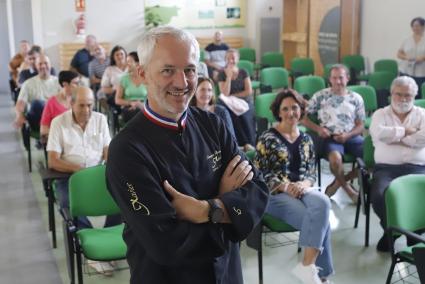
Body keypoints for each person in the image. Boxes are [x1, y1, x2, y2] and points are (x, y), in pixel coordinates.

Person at [106, 26, 268, 284]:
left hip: (228, 273)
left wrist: (206, 209)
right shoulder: (127, 150)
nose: (182, 83)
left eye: (190, 70)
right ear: (142, 74)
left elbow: (258, 191)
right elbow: (167, 244)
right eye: (168, 70)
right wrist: (231, 211)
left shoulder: (213, 125)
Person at [254, 89, 333, 284]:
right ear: (278, 112)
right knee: (322, 222)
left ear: (301, 110)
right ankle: (321, 277)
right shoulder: (267, 138)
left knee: (323, 202)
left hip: (302, 190)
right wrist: (285, 186)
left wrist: (303, 184)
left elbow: (312, 173)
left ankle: (307, 268)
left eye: (295, 108)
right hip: (274, 194)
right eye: (286, 109)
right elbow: (259, 174)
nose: (291, 113)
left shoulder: (306, 139)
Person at [47, 86, 121, 275]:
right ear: (71, 103)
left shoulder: (100, 119)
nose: (87, 110)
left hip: (98, 174)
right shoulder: (58, 123)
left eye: (90, 105)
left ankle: (108, 246)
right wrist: (80, 171)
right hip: (70, 177)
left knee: (119, 196)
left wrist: (105, 166)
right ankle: (89, 254)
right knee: (69, 206)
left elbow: (108, 150)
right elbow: (53, 160)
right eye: (82, 105)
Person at [369, 76, 425, 252]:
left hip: (418, 167)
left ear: (414, 95)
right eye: (398, 94)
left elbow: (422, 139)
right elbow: (379, 134)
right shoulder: (380, 114)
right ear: (391, 94)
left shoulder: (423, 114)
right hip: (387, 169)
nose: (403, 99)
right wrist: (408, 132)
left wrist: (394, 137)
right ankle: (394, 231)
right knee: (379, 195)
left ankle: (408, 230)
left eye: (407, 95)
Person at [302, 64, 365, 203]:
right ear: (329, 79)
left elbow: (361, 126)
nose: (338, 81)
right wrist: (318, 129)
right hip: (330, 138)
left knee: (374, 157)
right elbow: (303, 119)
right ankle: (349, 191)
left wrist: (348, 136)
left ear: (347, 79)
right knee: (336, 160)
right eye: (334, 78)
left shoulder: (356, 98)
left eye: (341, 78)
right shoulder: (320, 96)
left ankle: (337, 183)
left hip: (351, 136)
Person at [218, 48, 256, 151]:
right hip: (228, 103)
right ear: (225, 59)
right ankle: (236, 145)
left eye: (233, 58)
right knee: (229, 114)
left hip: (243, 101)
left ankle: (250, 143)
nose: (231, 60)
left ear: (238, 59)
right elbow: (225, 93)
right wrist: (229, 78)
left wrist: (234, 96)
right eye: (228, 58)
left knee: (245, 114)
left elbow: (248, 91)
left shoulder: (243, 72)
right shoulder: (222, 73)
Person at [14, 54, 61, 131]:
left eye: (46, 63)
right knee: (37, 104)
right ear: (36, 66)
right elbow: (20, 103)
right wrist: (19, 115)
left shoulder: (58, 82)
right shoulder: (28, 83)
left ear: (50, 65)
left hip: (55, 117)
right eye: (40, 64)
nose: (43, 66)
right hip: (37, 118)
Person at [40, 71, 80, 140]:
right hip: (59, 141)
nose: (78, 86)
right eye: (75, 83)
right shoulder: (51, 103)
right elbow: (44, 130)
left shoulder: (79, 99)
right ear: (65, 84)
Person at [115, 51, 147, 123]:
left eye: (129, 61)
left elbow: (152, 99)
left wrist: (142, 105)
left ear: (138, 63)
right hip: (128, 107)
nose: (126, 64)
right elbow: (117, 100)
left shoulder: (147, 78)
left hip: (144, 106)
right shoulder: (124, 79)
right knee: (134, 113)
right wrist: (131, 103)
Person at [397, 17, 425, 96]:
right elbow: (399, 54)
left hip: (422, 72)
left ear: (423, 27)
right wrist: (407, 58)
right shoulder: (407, 40)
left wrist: (422, 58)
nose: (415, 28)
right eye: (413, 26)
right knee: (406, 92)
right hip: (406, 70)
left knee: (419, 94)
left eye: (417, 26)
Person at [99, 45, 127, 109]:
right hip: (116, 94)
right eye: (117, 55)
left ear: (125, 55)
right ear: (113, 57)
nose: (120, 56)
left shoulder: (131, 67)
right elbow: (104, 88)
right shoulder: (109, 69)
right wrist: (114, 89)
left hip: (132, 93)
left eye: (121, 54)